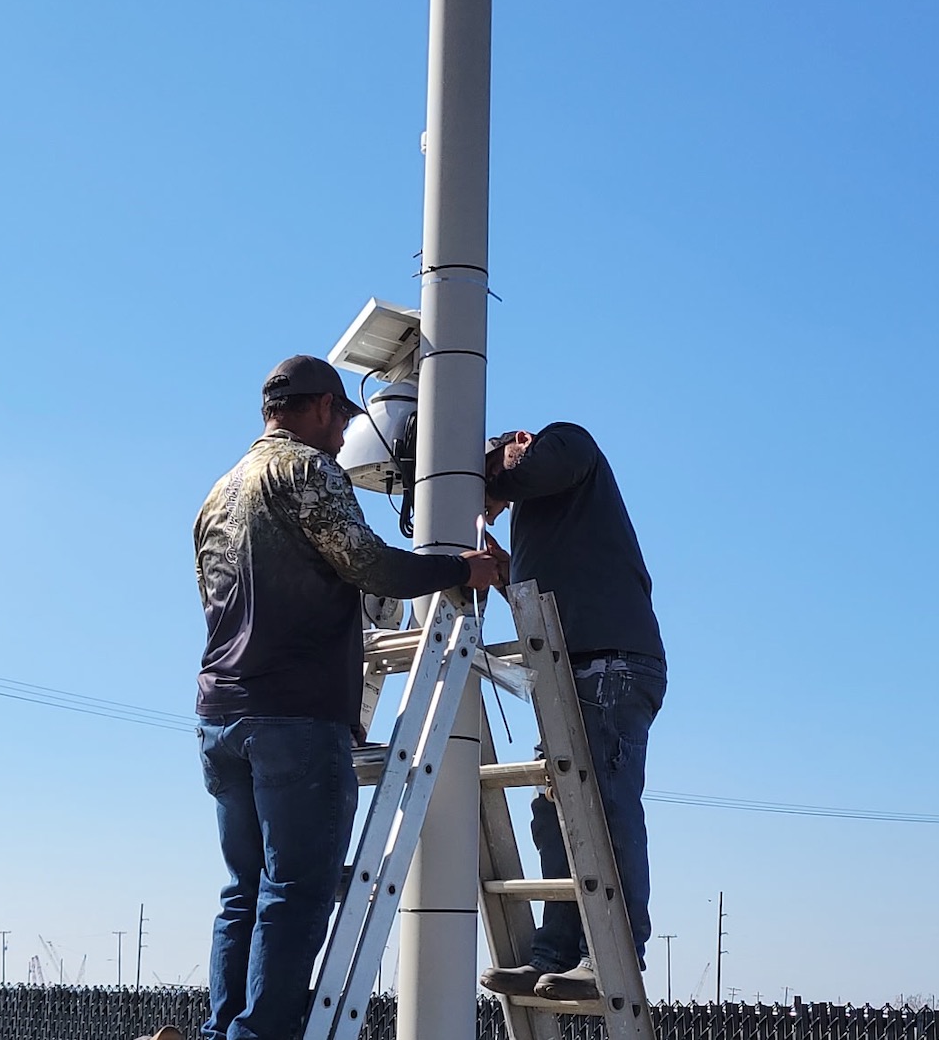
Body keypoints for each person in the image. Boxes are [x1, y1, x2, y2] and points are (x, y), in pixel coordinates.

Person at [193, 354, 501, 1040]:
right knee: (296, 892)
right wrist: (461, 568)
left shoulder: (218, 493)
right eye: (342, 423)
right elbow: (367, 565)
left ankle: (223, 1030)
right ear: (326, 408)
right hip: (294, 716)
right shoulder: (306, 470)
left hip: (220, 715)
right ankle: (262, 1033)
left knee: (245, 890)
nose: (343, 440)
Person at [477, 424, 666, 1003]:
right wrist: (508, 573)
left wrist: (483, 471)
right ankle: (554, 954)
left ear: (520, 439)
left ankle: (614, 954)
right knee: (551, 813)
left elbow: (528, 473)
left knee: (605, 807)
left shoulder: (565, 442)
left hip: (610, 665)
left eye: (498, 471)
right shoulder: (544, 518)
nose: (502, 498)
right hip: (569, 669)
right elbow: (548, 594)